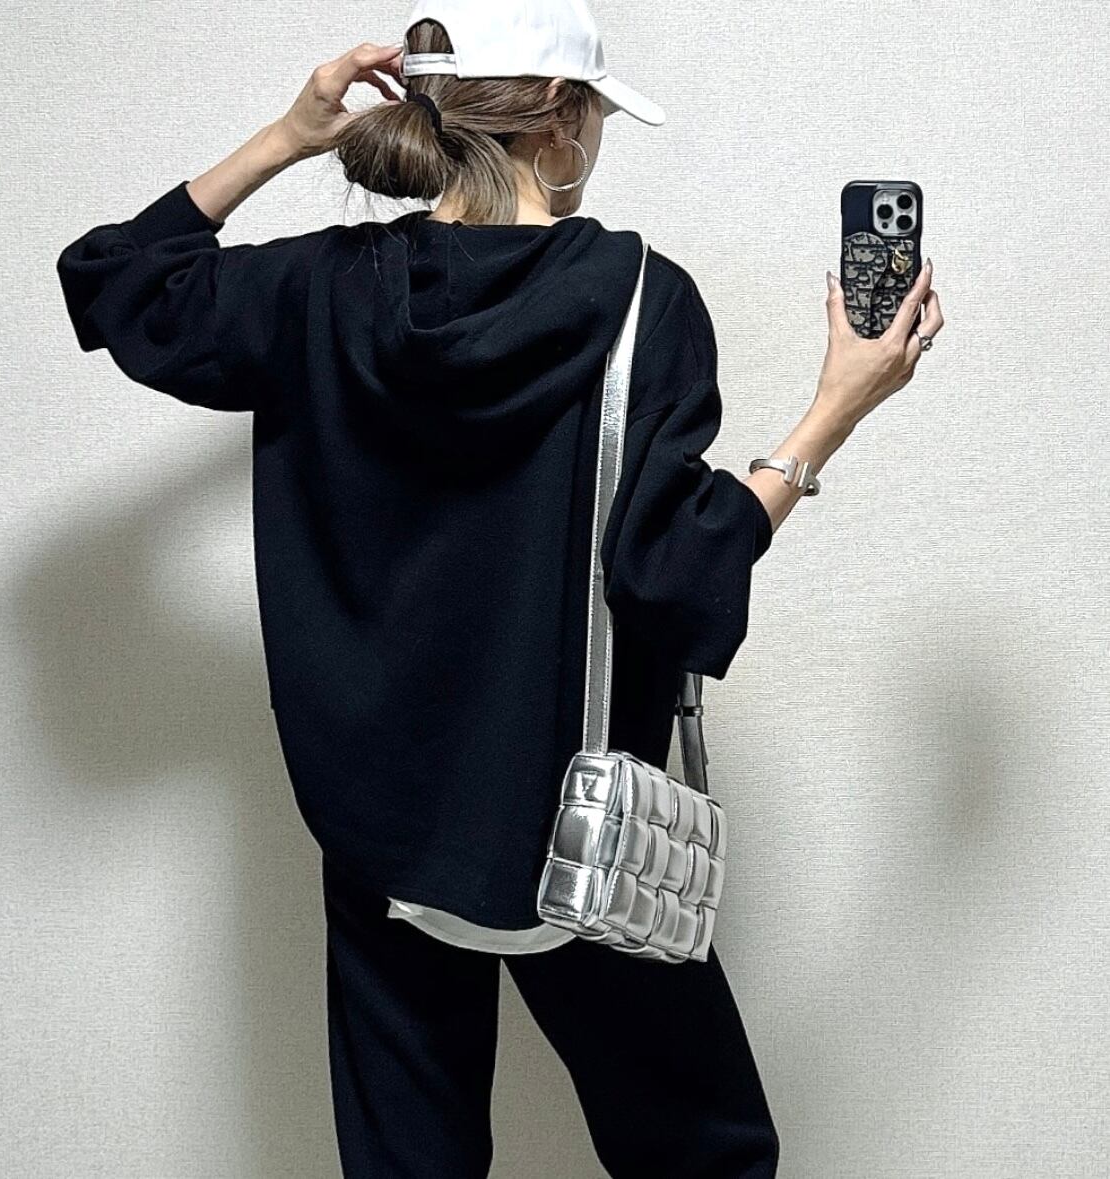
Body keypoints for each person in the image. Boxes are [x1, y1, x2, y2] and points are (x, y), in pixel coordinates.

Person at [54, 0, 945, 1174]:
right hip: (574, 828)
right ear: (561, 117)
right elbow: (669, 578)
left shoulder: (318, 290)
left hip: (375, 825)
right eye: (597, 117)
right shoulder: (640, 298)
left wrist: (287, 138)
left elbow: (117, 279)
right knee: (705, 1154)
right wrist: (833, 413)